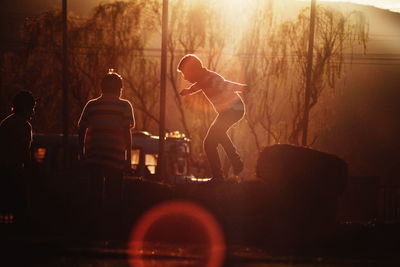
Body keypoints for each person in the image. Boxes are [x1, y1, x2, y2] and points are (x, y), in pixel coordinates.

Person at [78, 69, 134, 236]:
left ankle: (93, 228)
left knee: (94, 193)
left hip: (94, 157)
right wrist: (128, 157)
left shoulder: (91, 105)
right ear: (120, 88)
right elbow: (127, 133)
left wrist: (81, 153)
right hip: (115, 157)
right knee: (115, 195)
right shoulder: (125, 106)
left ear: (102, 87)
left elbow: (81, 129)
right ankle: (113, 229)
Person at [177, 54, 246, 183]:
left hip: (234, 110)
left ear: (194, 70)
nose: (185, 77)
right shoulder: (203, 79)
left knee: (209, 142)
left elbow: (226, 85)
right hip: (228, 112)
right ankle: (235, 162)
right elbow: (198, 86)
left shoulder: (211, 78)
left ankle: (220, 175)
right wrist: (188, 91)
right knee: (218, 134)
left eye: (185, 74)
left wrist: (242, 87)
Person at [0, 90, 36, 225]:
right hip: (14, 169)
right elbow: (24, 151)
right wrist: (30, 169)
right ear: (28, 108)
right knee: (19, 204)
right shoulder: (25, 126)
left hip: (2, 168)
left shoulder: (5, 123)